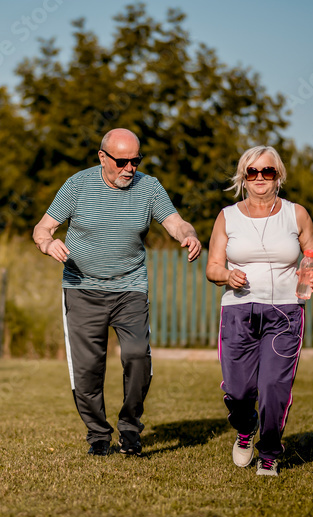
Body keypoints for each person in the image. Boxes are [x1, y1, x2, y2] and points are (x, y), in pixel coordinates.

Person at [33, 128, 201, 457]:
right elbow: (43, 228)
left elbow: (176, 223)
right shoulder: (78, 184)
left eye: (135, 161)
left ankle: (129, 426)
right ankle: (98, 433)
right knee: (88, 368)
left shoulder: (149, 187)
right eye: (122, 161)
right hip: (82, 288)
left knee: (137, 354)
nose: (129, 168)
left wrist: (190, 235)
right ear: (102, 157)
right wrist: (48, 243)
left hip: (130, 287)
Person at [205, 145, 313, 476]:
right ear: (244, 177)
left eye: (267, 171)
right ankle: (245, 430)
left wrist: (311, 263)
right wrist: (227, 274)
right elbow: (212, 267)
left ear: (279, 176)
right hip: (238, 312)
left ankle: (269, 452)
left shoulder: (295, 213)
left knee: (274, 387)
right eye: (252, 172)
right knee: (237, 390)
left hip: (285, 313)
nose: (260, 177)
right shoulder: (227, 216)